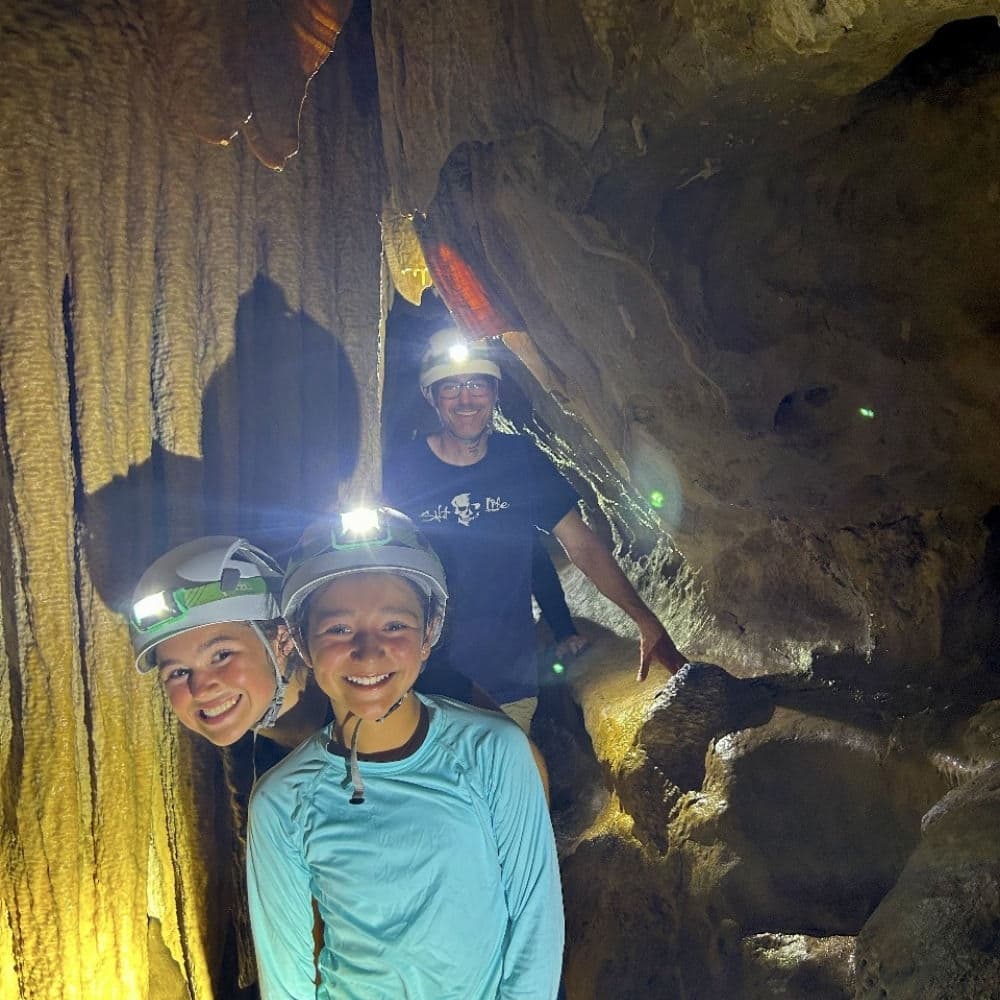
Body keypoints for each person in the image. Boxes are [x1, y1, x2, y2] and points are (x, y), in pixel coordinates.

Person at [247, 506, 564, 999]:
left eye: (395, 626)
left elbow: (534, 922)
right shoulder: (282, 802)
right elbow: (285, 976)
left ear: (429, 632)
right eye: (337, 629)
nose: (369, 652)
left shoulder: (494, 754)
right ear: (303, 644)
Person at [383, 326, 687, 731]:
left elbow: (583, 546)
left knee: (506, 790)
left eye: (477, 384)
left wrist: (644, 619)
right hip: (422, 681)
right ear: (430, 395)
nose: (466, 398)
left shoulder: (520, 459)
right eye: (451, 387)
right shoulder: (402, 471)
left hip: (508, 679)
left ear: (494, 391)